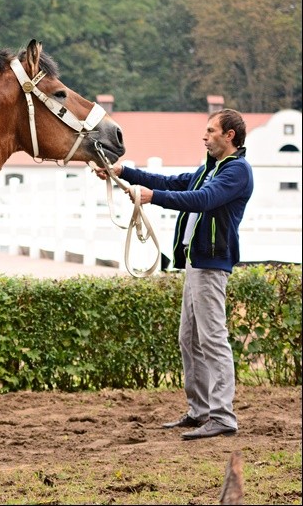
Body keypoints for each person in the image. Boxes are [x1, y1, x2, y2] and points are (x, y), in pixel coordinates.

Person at [93, 108, 253, 440]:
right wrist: (125, 172)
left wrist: (154, 198)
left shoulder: (237, 172)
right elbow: (172, 182)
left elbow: (202, 200)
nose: (204, 136)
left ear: (230, 136)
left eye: (211, 131)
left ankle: (222, 415)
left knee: (212, 341)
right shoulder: (210, 169)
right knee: (189, 340)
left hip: (211, 265)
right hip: (198, 264)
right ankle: (201, 411)